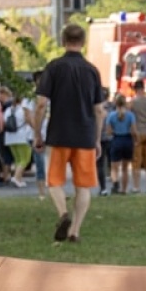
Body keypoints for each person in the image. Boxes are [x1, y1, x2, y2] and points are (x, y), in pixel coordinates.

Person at [33, 22, 106, 243]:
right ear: (83, 42)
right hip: (85, 135)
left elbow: (41, 104)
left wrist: (37, 133)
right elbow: (99, 110)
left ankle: (63, 214)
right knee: (83, 186)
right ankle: (75, 231)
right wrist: (97, 139)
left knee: (54, 181)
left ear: (63, 41)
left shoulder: (53, 67)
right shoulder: (92, 71)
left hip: (59, 134)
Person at [105, 94, 138, 194]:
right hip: (127, 140)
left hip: (117, 139)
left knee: (114, 167)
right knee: (125, 168)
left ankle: (115, 183)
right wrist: (136, 140)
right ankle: (124, 189)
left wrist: (115, 131)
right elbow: (134, 130)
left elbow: (108, 132)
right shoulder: (130, 115)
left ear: (115, 103)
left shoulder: (111, 115)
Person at [3, 93, 33, 187]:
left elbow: (4, 121)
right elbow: (28, 120)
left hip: (9, 137)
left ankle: (18, 178)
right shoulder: (23, 109)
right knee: (25, 159)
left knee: (17, 159)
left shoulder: (8, 110)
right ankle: (16, 178)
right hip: (22, 136)